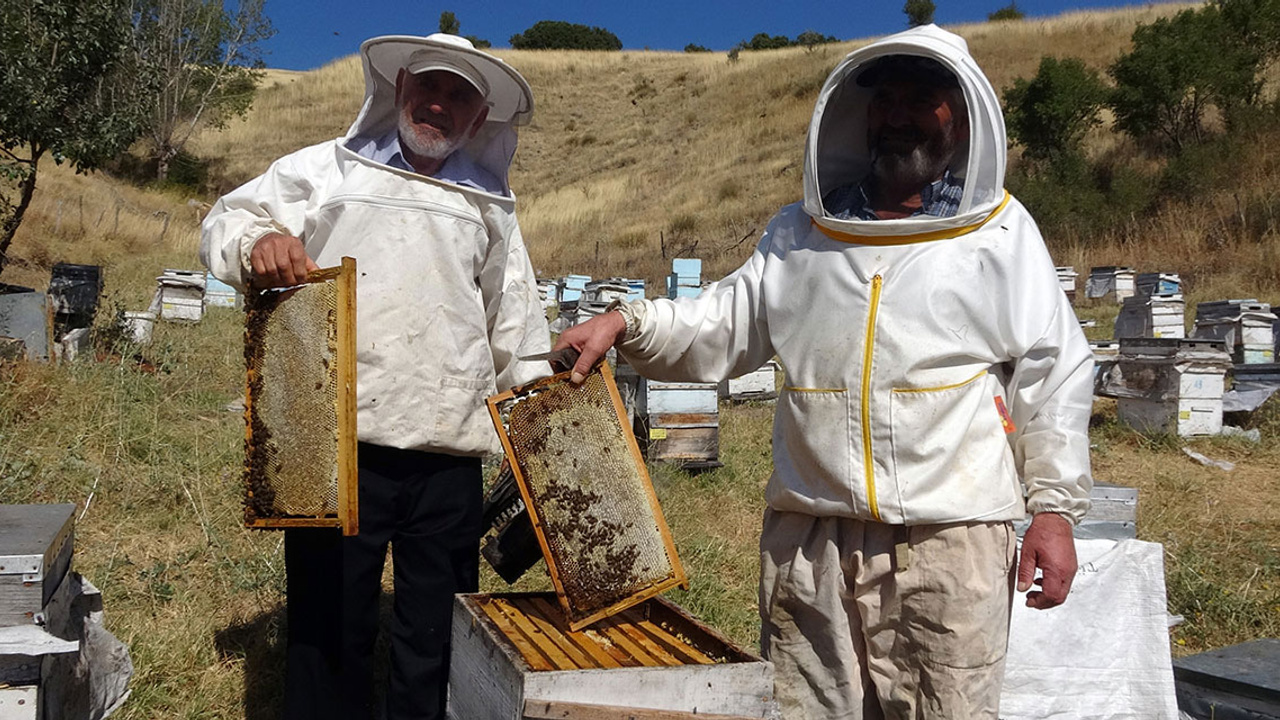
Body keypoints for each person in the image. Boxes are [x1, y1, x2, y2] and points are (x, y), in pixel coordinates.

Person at [556, 24, 1093, 719]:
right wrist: (629, 322)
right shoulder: (800, 235)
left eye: (919, 99)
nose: (897, 115)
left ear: (958, 119)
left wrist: (1053, 508)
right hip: (808, 541)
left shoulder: (999, 233)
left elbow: (1052, 373)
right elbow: (722, 324)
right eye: (885, 99)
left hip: (946, 539)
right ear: (860, 114)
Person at [201, 34, 550, 720]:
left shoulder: (487, 205)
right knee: (329, 633)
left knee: (438, 640)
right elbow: (227, 220)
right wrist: (258, 243)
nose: (440, 105)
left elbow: (515, 326)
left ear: (479, 119)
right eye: (431, 87)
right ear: (400, 90)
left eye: (460, 96)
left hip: (447, 459)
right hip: (335, 449)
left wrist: (544, 422)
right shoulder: (324, 173)